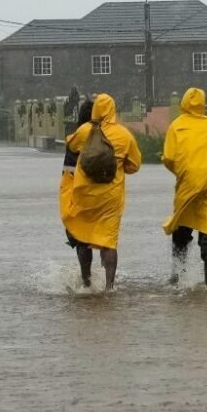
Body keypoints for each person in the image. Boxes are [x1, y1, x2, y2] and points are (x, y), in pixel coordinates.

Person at [64, 93, 142, 290]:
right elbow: (134, 166)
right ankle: (109, 286)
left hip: (85, 196)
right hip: (110, 198)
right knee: (108, 241)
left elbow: (71, 145)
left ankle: (86, 282)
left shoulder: (85, 131)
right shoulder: (124, 135)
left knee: (83, 237)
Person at [161, 88, 207, 288]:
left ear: (183, 103)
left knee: (181, 229)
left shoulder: (176, 126)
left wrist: (183, 171)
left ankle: (177, 277)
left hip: (186, 185)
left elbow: (168, 158)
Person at [60, 96, 94, 248]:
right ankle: (108, 271)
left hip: (77, 191)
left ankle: (85, 272)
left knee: (80, 238)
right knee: (104, 239)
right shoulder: (107, 134)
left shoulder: (76, 136)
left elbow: (67, 171)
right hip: (101, 192)